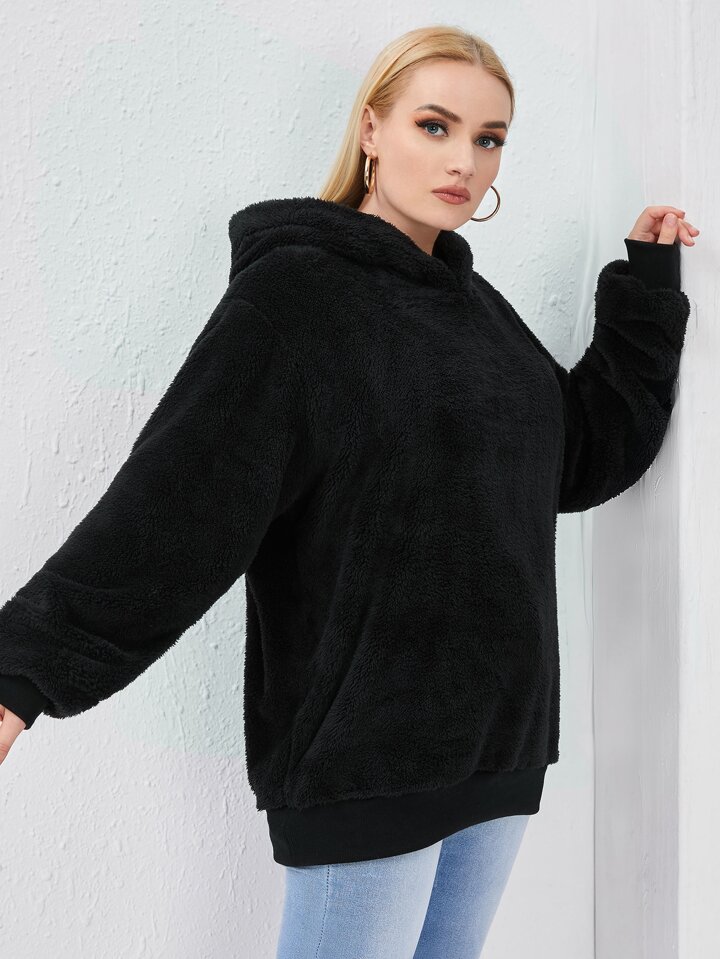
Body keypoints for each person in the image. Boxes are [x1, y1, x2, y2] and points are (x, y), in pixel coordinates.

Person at [0, 23, 698, 959]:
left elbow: (577, 457)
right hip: (365, 761)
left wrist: (646, 293)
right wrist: (23, 674)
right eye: (435, 125)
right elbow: (175, 507)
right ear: (372, 129)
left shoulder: (477, 312)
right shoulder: (295, 299)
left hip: (499, 752)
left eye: (489, 138)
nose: (464, 160)